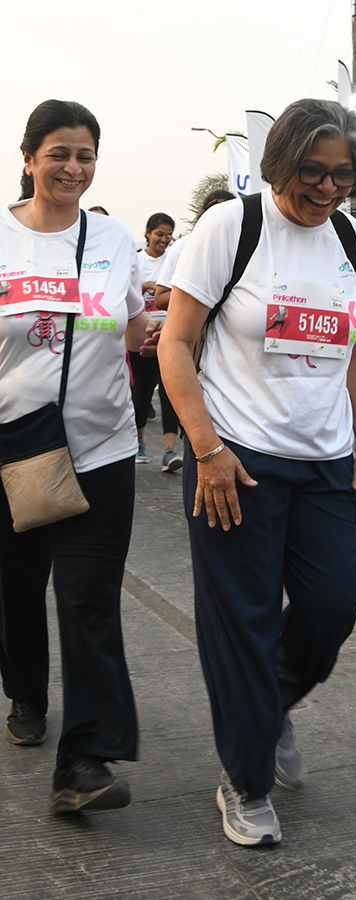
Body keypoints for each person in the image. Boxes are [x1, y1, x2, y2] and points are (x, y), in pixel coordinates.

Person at [158, 98, 356, 846]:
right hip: (237, 458)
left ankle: (264, 709)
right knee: (244, 622)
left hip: (323, 462)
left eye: (342, 175)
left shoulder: (351, 236)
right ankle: (247, 781)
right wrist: (207, 448)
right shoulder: (233, 227)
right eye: (311, 173)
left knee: (333, 605)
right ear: (280, 161)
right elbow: (175, 345)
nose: (326, 189)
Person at [0, 99, 161, 813]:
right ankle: (27, 692)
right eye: (59, 153)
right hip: (13, 451)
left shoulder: (114, 238)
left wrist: (167, 328)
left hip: (101, 447)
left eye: (86, 155)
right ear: (29, 158)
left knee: (89, 598)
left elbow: (128, 325)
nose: (73, 167)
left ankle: (86, 762)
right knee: (15, 588)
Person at [130, 212, 182, 471]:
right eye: (159, 234)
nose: (163, 239)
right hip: (141, 331)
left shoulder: (175, 259)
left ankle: (169, 450)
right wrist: (148, 285)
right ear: (148, 233)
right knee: (142, 391)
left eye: (168, 234)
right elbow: (128, 291)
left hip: (170, 330)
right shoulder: (136, 260)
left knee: (170, 390)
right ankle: (139, 442)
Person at [154, 189, 235, 314]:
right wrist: (201, 293)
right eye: (217, 214)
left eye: (229, 215)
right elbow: (160, 299)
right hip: (197, 329)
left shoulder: (246, 247)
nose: (222, 221)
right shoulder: (183, 246)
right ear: (204, 214)